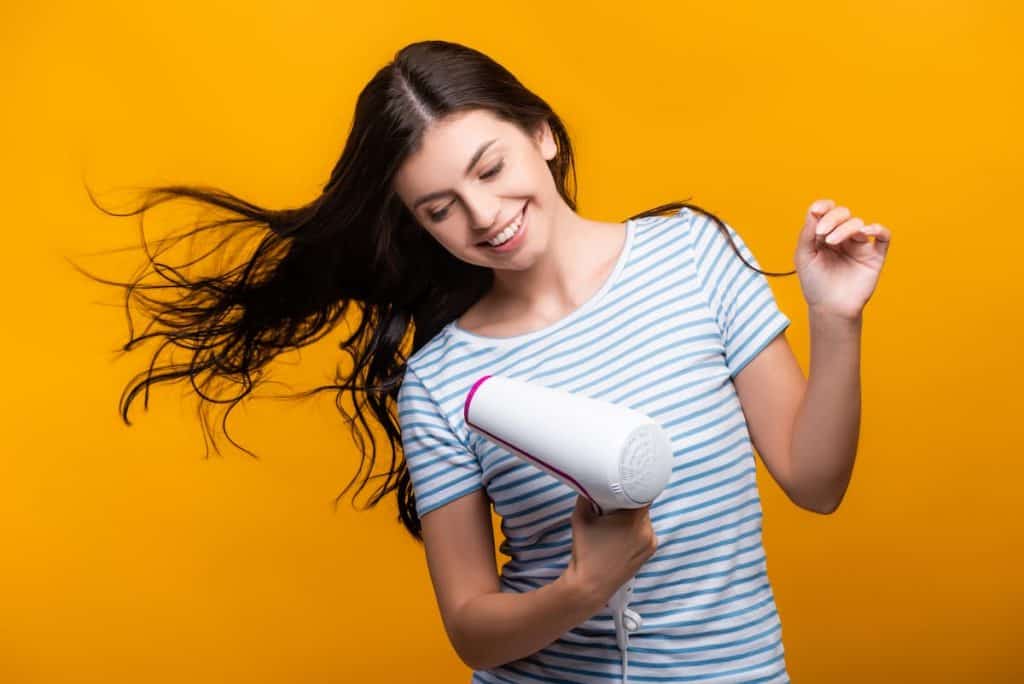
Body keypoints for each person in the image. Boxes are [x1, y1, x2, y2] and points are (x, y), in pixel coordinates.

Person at [80, 39, 891, 683]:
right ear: (419, 224)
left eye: (491, 169)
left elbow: (815, 484)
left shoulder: (692, 254)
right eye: (441, 209)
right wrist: (584, 588)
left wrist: (834, 318)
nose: (485, 217)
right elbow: (472, 630)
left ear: (540, 131)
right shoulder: (441, 381)